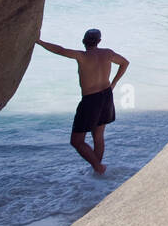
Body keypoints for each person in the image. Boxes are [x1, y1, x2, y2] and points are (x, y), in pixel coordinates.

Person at [37, 29, 129, 174]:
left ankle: (98, 167)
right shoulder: (107, 53)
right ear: (99, 41)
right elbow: (125, 63)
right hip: (106, 95)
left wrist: (39, 42)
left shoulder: (81, 55)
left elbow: (60, 50)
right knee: (98, 136)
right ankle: (97, 171)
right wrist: (114, 83)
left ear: (84, 41)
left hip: (91, 100)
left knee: (76, 141)